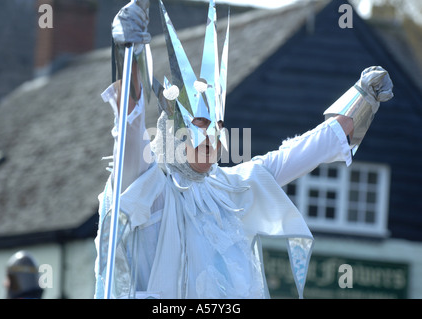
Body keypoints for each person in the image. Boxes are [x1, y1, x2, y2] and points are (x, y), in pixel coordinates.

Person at [94, 0, 393, 299]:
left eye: (218, 124)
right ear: (174, 131)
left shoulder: (229, 189)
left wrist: (361, 103)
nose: (211, 135)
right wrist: (126, 50)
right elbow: (130, 128)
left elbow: (297, 154)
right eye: (199, 123)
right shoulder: (149, 184)